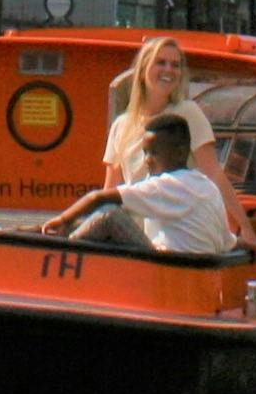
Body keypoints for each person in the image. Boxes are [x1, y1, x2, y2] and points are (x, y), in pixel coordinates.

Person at [42, 113, 240, 257]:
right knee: (114, 220)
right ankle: (55, 233)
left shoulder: (166, 185)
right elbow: (227, 241)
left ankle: (59, 253)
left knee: (109, 215)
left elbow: (98, 197)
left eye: (154, 153)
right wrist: (252, 246)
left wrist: (63, 219)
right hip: (198, 272)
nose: (147, 160)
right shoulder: (208, 187)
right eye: (145, 152)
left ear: (180, 153)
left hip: (167, 269)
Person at [105, 34, 232, 207]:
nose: (169, 70)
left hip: (178, 219)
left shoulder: (187, 112)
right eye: (161, 62)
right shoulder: (121, 125)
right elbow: (110, 189)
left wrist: (242, 222)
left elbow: (213, 173)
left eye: (175, 65)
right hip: (137, 221)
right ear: (143, 69)